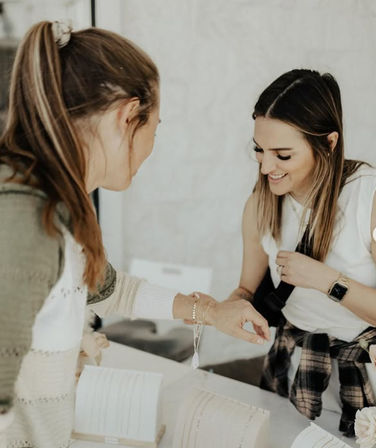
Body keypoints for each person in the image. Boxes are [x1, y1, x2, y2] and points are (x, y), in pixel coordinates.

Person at [0, 21, 270, 448]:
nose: (153, 144)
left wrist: (213, 313)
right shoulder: (28, 223)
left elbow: (107, 289)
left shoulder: (60, 203)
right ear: (128, 117)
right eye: (155, 127)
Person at [225, 69, 376, 436]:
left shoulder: (366, 199)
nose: (265, 167)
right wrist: (232, 307)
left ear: (328, 143)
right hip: (291, 369)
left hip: (364, 376)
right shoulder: (260, 205)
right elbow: (247, 289)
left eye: (283, 155)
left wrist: (326, 281)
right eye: (259, 150)